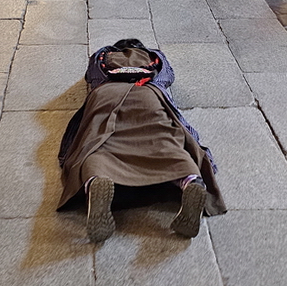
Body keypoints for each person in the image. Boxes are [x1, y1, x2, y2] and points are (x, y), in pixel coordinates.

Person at [57, 39, 226, 242]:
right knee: (165, 139)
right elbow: (167, 76)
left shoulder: (102, 56)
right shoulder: (154, 56)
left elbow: (91, 76)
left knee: (98, 143)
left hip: (106, 96)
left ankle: (96, 180)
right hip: (148, 95)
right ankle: (190, 181)